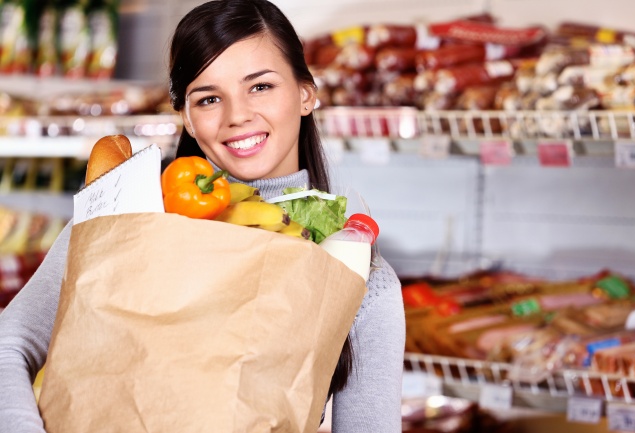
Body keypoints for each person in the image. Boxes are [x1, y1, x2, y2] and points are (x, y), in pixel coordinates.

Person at [0, 1, 405, 432]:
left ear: (306, 94)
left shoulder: (358, 276)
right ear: (187, 119)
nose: (237, 116)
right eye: (209, 98)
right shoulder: (125, 221)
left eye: (261, 86)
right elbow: (10, 344)